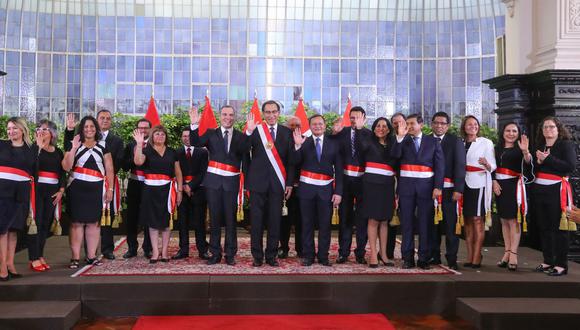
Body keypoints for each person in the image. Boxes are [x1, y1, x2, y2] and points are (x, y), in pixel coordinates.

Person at [189, 105, 251, 266]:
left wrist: (249, 132)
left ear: (234, 117)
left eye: (231, 115)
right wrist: (194, 124)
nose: (228, 117)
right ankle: (215, 253)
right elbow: (196, 142)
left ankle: (230, 254)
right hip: (213, 182)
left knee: (231, 220)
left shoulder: (240, 136)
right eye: (225, 114)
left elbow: (246, 150)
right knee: (214, 219)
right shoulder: (211, 133)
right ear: (220, 116)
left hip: (232, 181)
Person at [66, 110, 124, 260]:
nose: (89, 129)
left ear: (96, 128)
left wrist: (110, 189)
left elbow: (109, 169)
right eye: (86, 127)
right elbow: (66, 167)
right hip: (77, 189)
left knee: (94, 223)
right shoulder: (74, 144)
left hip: (97, 189)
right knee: (77, 224)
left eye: (92, 127)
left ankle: (91, 256)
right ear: (82, 129)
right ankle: (75, 257)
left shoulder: (104, 146)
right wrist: (73, 148)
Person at [245, 100, 294, 267]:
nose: (271, 115)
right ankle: (257, 256)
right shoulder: (256, 131)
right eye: (268, 112)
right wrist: (248, 133)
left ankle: (271, 255)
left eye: (274, 112)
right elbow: (243, 152)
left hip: (277, 185)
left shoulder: (287, 133)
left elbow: (290, 162)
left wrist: (289, 183)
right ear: (263, 114)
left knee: (275, 221)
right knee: (257, 222)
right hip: (257, 184)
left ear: (279, 113)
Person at [391, 113, 444, 269]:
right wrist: (399, 138)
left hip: (427, 188)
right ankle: (407, 258)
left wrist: (438, 187)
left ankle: (423, 258)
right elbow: (394, 156)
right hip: (406, 188)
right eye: (406, 124)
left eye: (412, 123)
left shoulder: (433, 142)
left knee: (424, 224)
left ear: (421, 124)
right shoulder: (402, 140)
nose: (409, 127)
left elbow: (440, 166)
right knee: (406, 224)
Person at [292, 114, 343, 267]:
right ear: (310, 126)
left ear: (324, 125)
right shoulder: (303, 142)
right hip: (306, 189)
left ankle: (323, 256)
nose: (318, 126)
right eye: (314, 124)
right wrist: (297, 146)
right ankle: (308, 256)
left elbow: (339, 170)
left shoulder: (333, 143)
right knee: (306, 224)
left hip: (326, 190)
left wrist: (338, 192)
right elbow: (294, 163)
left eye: (320, 124)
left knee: (325, 225)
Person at [532, 116, 576, 276]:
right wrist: (536, 161)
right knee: (544, 228)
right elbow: (536, 168)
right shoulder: (540, 145)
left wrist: (548, 159)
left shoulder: (565, 145)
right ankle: (548, 260)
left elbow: (570, 166)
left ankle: (561, 264)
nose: (548, 130)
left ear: (558, 129)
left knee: (559, 228)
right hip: (540, 189)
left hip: (557, 189)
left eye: (551, 127)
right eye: (545, 127)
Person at [133, 125, 183, 263]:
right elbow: (138, 162)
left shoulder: (172, 152)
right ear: (152, 137)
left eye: (162, 134)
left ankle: (165, 251)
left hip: (167, 190)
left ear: (166, 137)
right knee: (153, 222)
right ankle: (155, 252)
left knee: (166, 222)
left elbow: (178, 172)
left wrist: (179, 191)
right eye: (157, 134)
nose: (160, 136)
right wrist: (138, 144)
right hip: (150, 190)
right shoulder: (146, 150)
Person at [0, 118, 40, 281]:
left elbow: (33, 172)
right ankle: (2, 266)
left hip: (21, 194)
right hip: (2, 193)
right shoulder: (1, 145)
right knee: (2, 230)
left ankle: (10, 264)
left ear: (22, 130)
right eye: (9, 129)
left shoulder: (31, 149)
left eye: (14, 128)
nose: (11, 132)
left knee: (14, 230)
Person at [354, 116, 396, 268]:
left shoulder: (393, 143)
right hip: (371, 185)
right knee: (373, 220)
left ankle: (383, 255)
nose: (381, 128)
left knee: (384, 220)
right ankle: (372, 254)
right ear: (373, 128)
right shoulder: (368, 141)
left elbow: (397, 157)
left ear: (389, 129)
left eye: (384, 126)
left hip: (387, 186)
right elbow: (359, 147)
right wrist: (358, 129)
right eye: (378, 126)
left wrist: (400, 137)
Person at [332, 106, 370, 265]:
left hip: (363, 182)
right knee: (345, 219)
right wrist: (333, 133)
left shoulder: (370, 134)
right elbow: (329, 146)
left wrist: (360, 130)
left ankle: (360, 252)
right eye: (352, 117)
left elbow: (365, 149)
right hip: (345, 181)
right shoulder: (343, 132)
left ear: (364, 118)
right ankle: (343, 252)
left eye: (358, 117)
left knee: (362, 219)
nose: (354, 120)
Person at [428, 112, 466, 270]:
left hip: (450, 191)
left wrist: (459, 189)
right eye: (436, 123)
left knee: (450, 227)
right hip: (430, 191)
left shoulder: (455, 141)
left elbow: (460, 165)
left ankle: (452, 258)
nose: (439, 126)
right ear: (431, 124)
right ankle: (434, 256)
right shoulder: (426, 140)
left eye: (443, 123)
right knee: (432, 226)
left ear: (448, 126)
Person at [492, 122, 531, 271]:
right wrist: (494, 181)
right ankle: (506, 252)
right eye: (508, 130)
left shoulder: (521, 148)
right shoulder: (496, 148)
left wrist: (526, 152)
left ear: (518, 133)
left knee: (514, 220)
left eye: (514, 131)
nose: (511, 133)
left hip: (514, 187)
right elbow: (491, 167)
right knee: (503, 220)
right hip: (499, 187)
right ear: (503, 132)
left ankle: (514, 253)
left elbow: (528, 164)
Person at [28, 120, 65, 272]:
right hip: (36, 191)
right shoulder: (33, 149)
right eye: (39, 129)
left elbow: (62, 172)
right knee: (34, 225)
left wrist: (61, 190)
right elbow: (30, 167)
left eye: (45, 129)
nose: (41, 131)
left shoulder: (58, 151)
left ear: (52, 133)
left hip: (52, 193)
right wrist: (38, 148)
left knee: (44, 225)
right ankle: (33, 258)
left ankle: (40, 255)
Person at [460, 115, 496, 269]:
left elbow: (492, 166)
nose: (472, 127)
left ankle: (477, 256)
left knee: (477, 219)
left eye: (475, 124)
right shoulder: (459, 143)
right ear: (464, 127)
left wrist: (487, 164)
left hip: (478, 183)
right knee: (467, 220)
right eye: (469, 124)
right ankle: (469, 256)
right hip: (462, 184)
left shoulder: (486, 143)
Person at [172, 129, 210, 261]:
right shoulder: (176, 152)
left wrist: (191, 185)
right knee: (182, 222)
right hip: (181, 191)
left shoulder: (202, 152)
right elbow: (175, 171)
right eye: (184, 136)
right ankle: (183, 250)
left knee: (200, 222)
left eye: (189, 136)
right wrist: (183, 186)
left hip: (198, 189)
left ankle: (202, 250)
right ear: (181, 138)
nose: (187, 138)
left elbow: (203, 171)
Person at [122, 119, 153, 259]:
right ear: (136, 130)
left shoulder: (155, 145)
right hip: (134, 183)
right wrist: (135, 156)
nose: (143, 130)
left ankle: (148, 248)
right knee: (131, 218)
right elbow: (124, 165)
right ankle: (132, 248)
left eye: (146, 128)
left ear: (150, 130)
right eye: (140, 128)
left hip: (149, 185)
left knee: (148, 217)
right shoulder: (130, 145)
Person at [278, 116, 303, 259]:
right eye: (292, 126)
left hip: (302, 188)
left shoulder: (307, 140)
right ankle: (283, 248)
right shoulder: (280, 141)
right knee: (284, 220)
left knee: (301, 220)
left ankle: (301, 249)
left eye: (297, 125)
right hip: (284, 188)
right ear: (286, 127)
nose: (295, 128)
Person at [386, 112, 406, 262]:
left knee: (407, 219)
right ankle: (388, 252)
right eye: (394, 123)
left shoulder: (412, 138)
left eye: (400, 122)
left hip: (409, 183)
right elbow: (393, 157)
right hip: (390, 182)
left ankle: (408, 253)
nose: (398, 125)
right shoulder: (390, 140)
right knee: (390, 218)